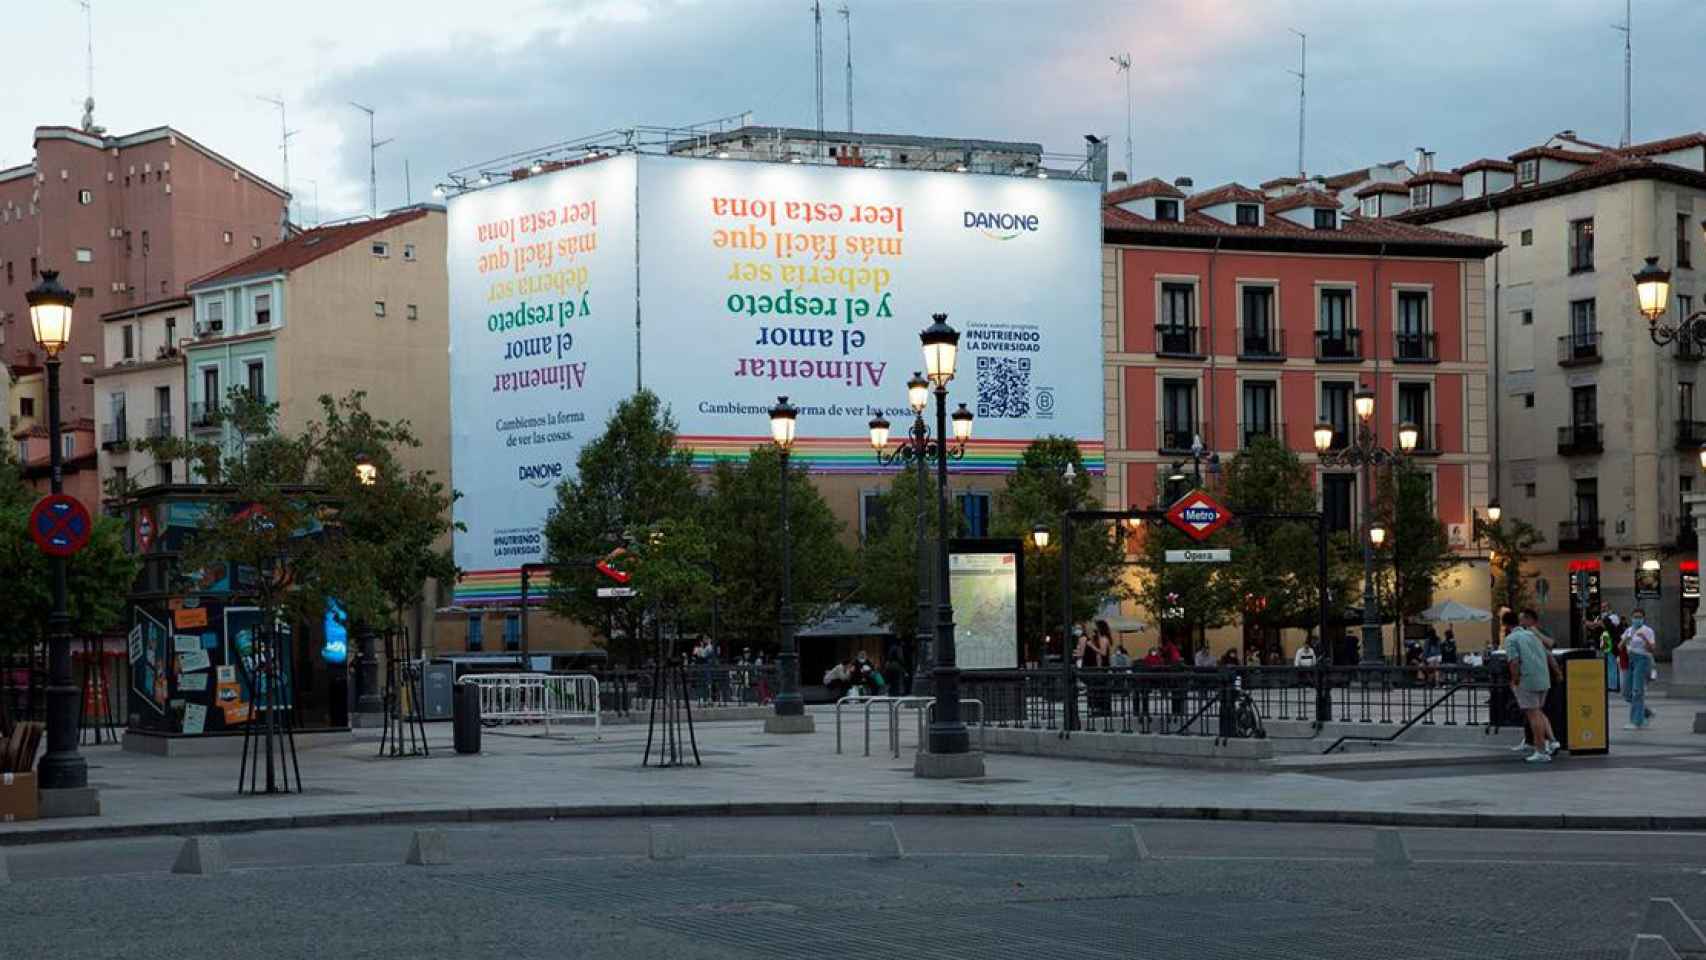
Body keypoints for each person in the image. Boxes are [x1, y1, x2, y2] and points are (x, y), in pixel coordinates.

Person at [1504, 608, 1560, 763]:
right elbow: (1549, 655)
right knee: (1539, 713)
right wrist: (1557, 673)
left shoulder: (1511, 639)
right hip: (1543, 679)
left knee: (1533, 715)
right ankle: (1550, 742)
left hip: (1527, 680)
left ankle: (1541, 750)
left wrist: (1515, 680)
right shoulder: (1533, 635)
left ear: (1506, 626)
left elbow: (1514, 662)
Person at [1621, 608, 1658, 730]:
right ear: (1631, 618)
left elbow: (1652, 649)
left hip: (1642, 659)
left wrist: (1644, 639)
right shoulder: (1629, 630)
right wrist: (1624, 640)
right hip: (1629, 660)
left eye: (1640, 617)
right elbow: (1619, 646)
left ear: (1643, 618)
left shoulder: (1647, 631)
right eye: (1635, 617)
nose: (1637, 619)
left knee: (1637, 691)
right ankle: (1646, 713)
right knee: (1626, 692)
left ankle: (1636, 721)